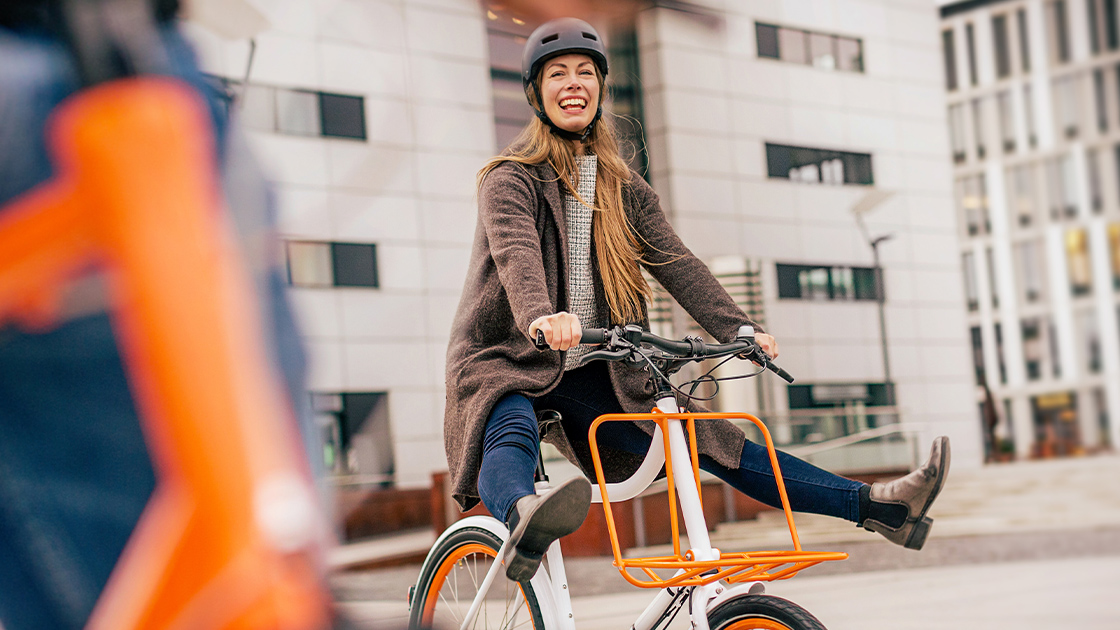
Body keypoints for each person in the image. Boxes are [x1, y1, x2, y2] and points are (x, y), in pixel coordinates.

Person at [444, 17, 950, 583]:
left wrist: (739, 328)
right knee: (509, 418)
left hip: (593, 372)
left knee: (714, 439)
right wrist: (541, 317)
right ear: (536, 92)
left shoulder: (623, 188)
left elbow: (676, 262)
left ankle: (881, 507)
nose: (573, 83)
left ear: (601, 89)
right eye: (557, 73)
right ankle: (523, 518)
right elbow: (518, 257)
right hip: (508, 356)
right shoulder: (511, 178)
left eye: (586, 73)